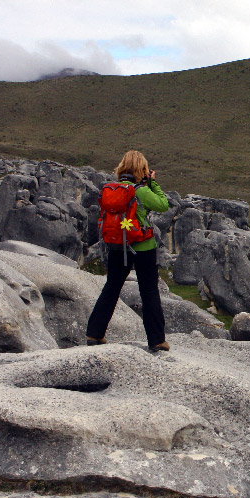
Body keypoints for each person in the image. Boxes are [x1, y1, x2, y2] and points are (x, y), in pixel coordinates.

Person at [86, 150, 171, 351]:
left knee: (112, 287)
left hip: (117, 245)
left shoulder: (111, 189)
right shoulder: (139, 190)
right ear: (141, 169)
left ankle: (94, 334)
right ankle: (157, 340)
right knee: (149, 291)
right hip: (142, 246)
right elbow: (163, 205)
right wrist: (152, 183)